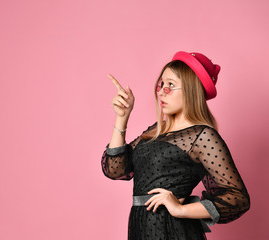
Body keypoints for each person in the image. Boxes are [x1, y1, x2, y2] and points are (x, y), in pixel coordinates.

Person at [100, 51, 250, 240]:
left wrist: (180, 209)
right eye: (161, 84)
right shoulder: (156, 131)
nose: (162, 91)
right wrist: (122, 118)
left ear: (191, 90)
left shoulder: (201, 136)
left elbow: (237, 198)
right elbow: (115, 169)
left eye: (171, 85)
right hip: (141, 228)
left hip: (171, 230)